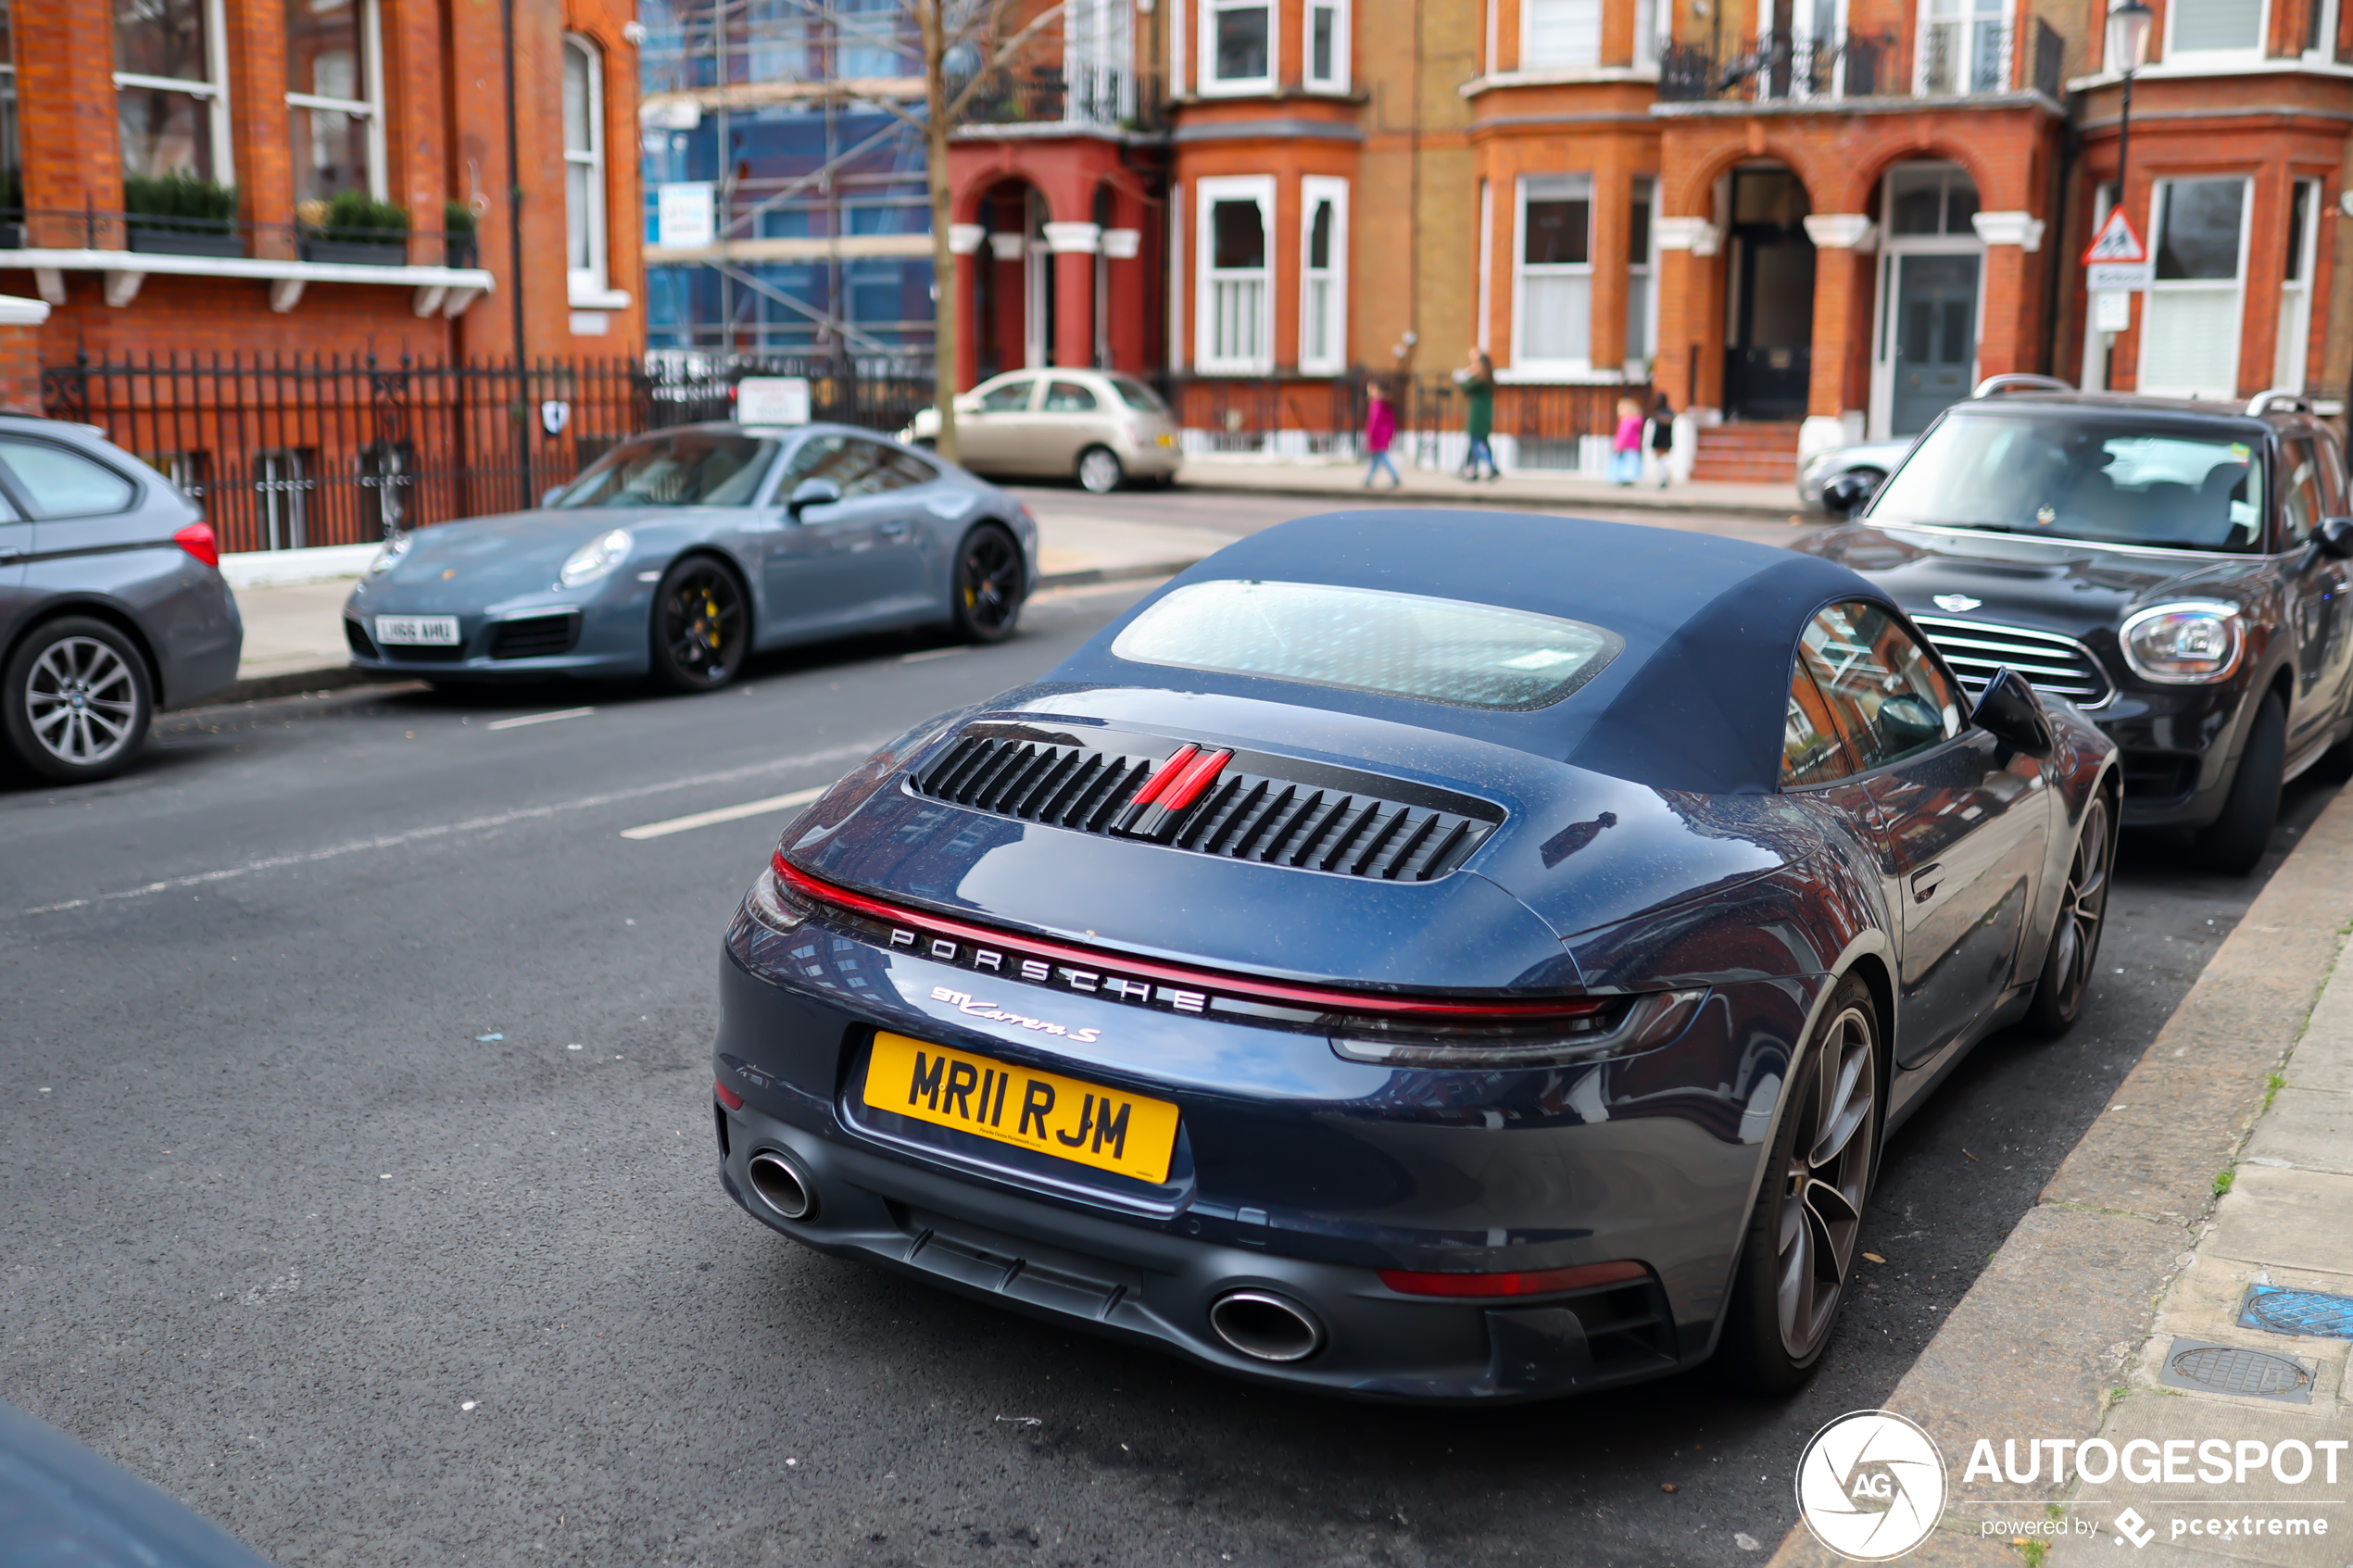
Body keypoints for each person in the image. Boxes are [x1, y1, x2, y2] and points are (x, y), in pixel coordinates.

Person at [1458, 350, 1498, 481]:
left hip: (1478, 417)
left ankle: (1490, 467)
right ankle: (1472, 469)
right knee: (1480, 443)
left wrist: (1469, 373)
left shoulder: (1480, 381)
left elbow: (1464, 387)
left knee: (1476, 443)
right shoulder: (1486, 381)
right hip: (1483, 416)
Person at [1364, 383, 1401, 489]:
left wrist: (1371, 434)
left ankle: (1395, 477)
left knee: (1381, 456)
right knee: (1376, 458)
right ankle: (1369, 479)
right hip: (1384, 433)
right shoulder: (1384, 403)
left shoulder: (1376, 403)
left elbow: (1374, 420)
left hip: (1378, 434)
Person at [1610, 396, 1644, 485]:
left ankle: (1623, 478)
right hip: (1634, 446)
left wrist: (1619, 445)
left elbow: (1624, 435)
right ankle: (1629, 478)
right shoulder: (1636, 421)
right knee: (1632, 463)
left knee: (1624, 463)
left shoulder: (1626, 421)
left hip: (1625, 446)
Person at [1648, 390, 1675, 488]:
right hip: (1666, 440)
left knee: (1661, 460)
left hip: (1660, 439)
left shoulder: (1658, 413)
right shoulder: (1669, 413)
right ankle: (1664, 477)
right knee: (1664, 460)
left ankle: (1663, 478)